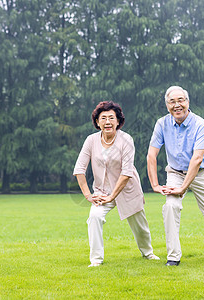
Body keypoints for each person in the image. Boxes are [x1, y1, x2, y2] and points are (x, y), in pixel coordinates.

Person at [147, 86, 204, 267]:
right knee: (170, 206)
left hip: (202, 173)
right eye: (172, 102)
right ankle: (173, 256)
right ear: (167, 105)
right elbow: (151, 155)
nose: (177, 105)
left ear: (188, 102)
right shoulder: (161, 123)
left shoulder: (200, 123)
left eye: (180, 100)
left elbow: (197, 158)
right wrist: (155, 184)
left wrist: (183, 187)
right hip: (175, 172)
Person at [73, 101, 160, 267]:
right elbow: (79, 169)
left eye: (111, 118)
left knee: (140, 226)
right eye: (103, 118)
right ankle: (96, 260)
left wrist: (112, 196)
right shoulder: (91, 140)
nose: (107, 122)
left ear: (118, 121)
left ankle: (148, 253)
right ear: (97, 122)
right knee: (94, 217)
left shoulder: (126, 140)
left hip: (126, 190)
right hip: (101, 192)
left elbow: (127, 172)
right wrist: (88, 196)